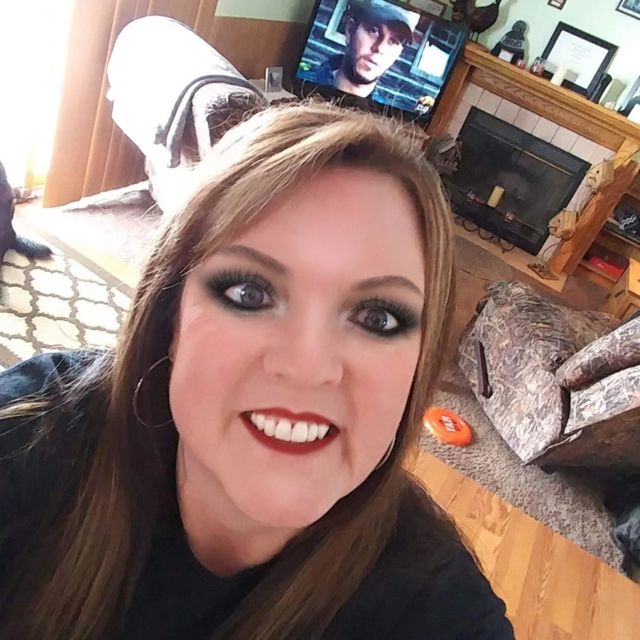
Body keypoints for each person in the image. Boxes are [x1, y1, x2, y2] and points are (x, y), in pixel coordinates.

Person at [0, 103, 514, 640]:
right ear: (170, 317)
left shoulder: (441, 613)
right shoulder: (34, 432)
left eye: (377, 318)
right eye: (250, 293)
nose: (307, 367)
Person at [311, 0, 419, 99]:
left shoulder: (381, 113)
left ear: (398, 54)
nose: (380, 48)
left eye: (394, 41)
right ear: (350, 30)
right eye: (373, 31)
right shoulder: (306, 85)